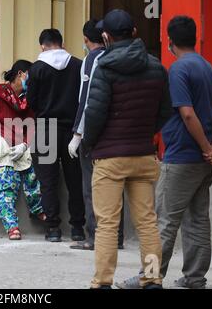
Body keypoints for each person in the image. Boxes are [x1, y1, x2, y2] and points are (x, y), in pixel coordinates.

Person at [117, 16, 212, 290]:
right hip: (204, 161)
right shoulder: (207, 68)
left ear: (169, 41)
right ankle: (194, 278)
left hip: (182, 157)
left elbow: (187, 114)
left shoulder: (178, 70)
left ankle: (149, 276)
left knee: (163, 221)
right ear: (194, 37)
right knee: (198, 219)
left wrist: (205, 149)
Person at [82, 9, 173, 289]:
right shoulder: (156, 67)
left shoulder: (104, 68)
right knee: (147, 222)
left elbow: (94, 115)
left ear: (106, 37)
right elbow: (165, 111)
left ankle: (103, 282)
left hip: (110, 157)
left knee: (107, 224)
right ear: (134, 32)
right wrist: (145, 132)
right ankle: (153, 277)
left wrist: (91, 143)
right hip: (143, 155)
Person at [0, 60, 45, 240]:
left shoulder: (30, 99)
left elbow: (32, 124)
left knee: (32, 174)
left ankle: (37, 209)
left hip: (19, 143)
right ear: (20, 74)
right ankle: (11, 225)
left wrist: (25, 144)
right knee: (4, 181)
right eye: (30, 76)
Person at [68, 19, 125, 251]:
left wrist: (78, 133)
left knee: (92, 187)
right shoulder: (119, 57)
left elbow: (87, 98)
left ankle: (94, 237)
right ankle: (117, 237)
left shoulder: (93, 59)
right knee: (115, 188)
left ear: (85, 39)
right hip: (117, 132)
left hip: (94, 132)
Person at [27, 29, 85, 243]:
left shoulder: (37, 68)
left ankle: (53, 228)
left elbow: (31, 102)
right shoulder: (78, 65)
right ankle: (78, 228)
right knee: (75, 180)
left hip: (45, 129)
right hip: (73, 131)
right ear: (61, 43)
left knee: (48, 181)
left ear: (42, 45)